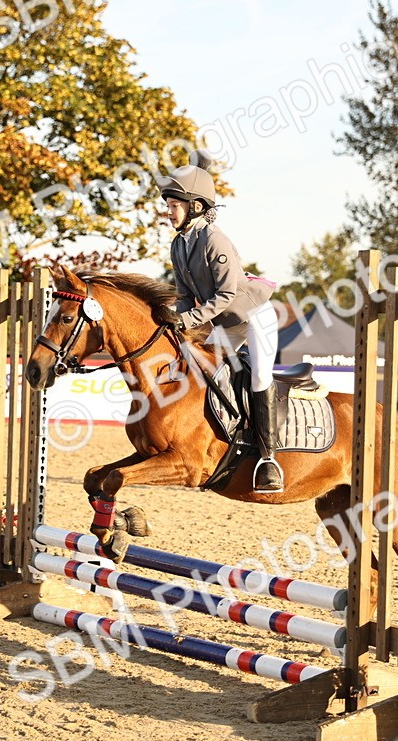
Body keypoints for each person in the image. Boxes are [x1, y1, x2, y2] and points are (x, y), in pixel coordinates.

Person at [156, 153, 283, 493]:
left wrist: (188, 319)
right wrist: (177, 320)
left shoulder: (214, 239)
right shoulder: (178, 245)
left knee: (258, 375)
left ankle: (268, 458)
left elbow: (226, 294)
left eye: (174, 205)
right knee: (205, 369)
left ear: (195, 206)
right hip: (225, 324)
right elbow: (184, 295)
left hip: (253, 317)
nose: (169, 212)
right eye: (168, 205)